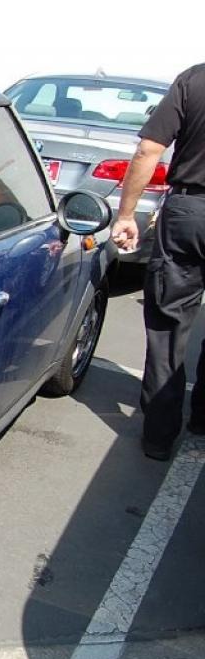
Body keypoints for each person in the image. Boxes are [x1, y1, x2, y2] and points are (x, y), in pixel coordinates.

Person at [111, 62, 205, 460]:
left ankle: (159, 435)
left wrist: (127, 213)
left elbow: (150, 148)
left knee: (168, 320)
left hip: (191, 209)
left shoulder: (195, 79)